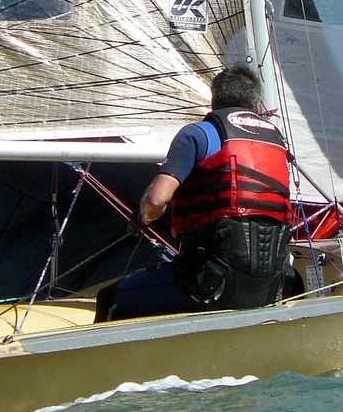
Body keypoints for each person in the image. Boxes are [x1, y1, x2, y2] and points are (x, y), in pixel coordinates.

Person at [95, 66, 293, 322]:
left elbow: (157, 200)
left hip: (210, 285)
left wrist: (143, 217)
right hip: (271, 286)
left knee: (109, 299)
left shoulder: (197, 134)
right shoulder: (277, 143)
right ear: (256, 103)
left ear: (214, 100)